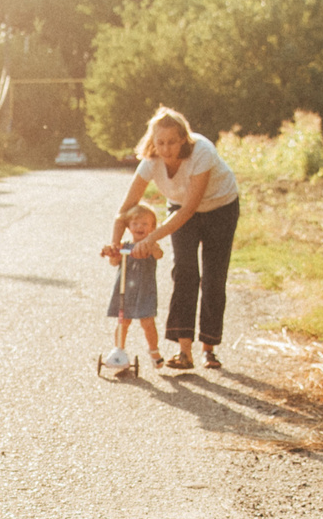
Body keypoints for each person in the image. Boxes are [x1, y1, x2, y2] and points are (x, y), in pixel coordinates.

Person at [110, 106, 241, 370]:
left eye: (172, 142)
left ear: (183, 138)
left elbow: (190, 209)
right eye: (160, 143)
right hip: (180, 209)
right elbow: (126, 208)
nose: (166, 149)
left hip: (220, 208)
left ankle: (209, 348)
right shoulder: (151, 161)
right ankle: (184, 352)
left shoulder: (201, 152)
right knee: (185, 271)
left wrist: (151, 239)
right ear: (152, 142)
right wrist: (115, 242)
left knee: (214, 277)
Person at [102, 201, 165, 369]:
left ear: (152, 227)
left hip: (145, 291)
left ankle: (154, 351)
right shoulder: (124, 246)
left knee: (147, 323)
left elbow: (159, 255)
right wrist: (111, 252)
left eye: (145, 224)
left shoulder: (151, 246)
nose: (139, 227)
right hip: (125, 291)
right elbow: (114, 263)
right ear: (128, 226)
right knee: (123, 322)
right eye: (135, 223)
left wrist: (151, 247)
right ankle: (119, 350)